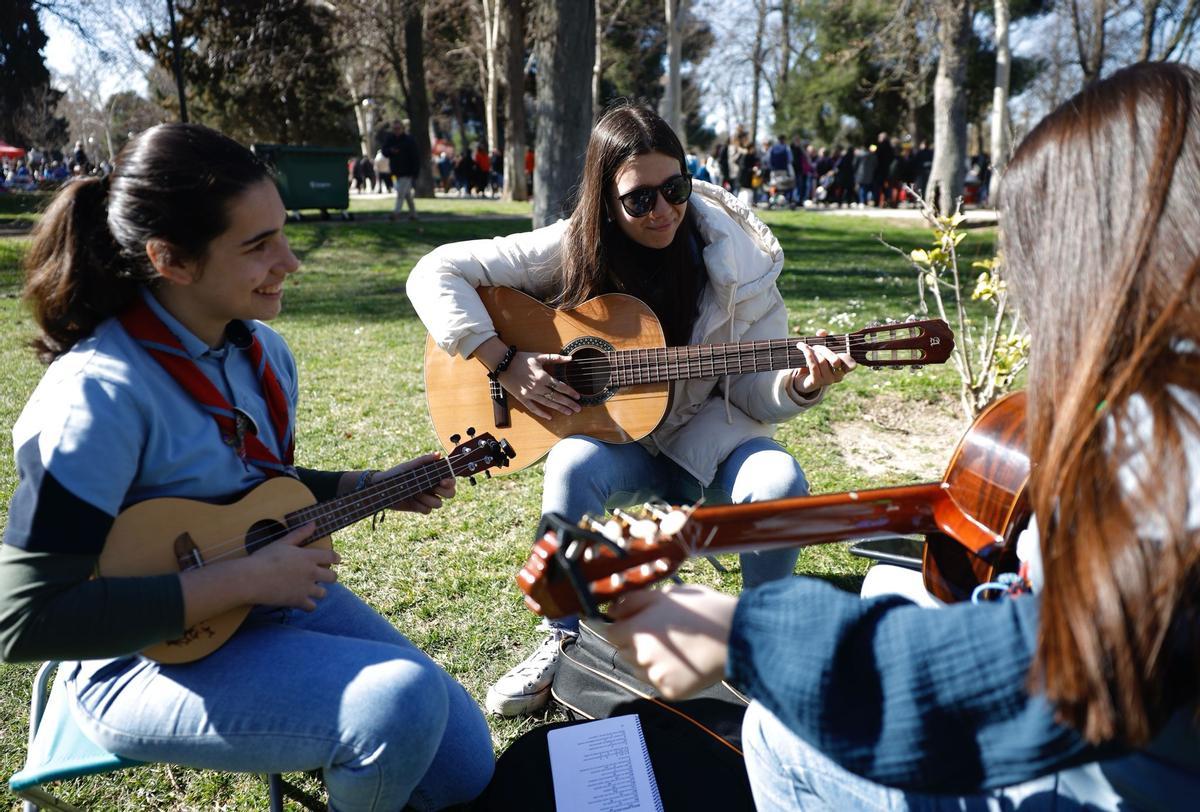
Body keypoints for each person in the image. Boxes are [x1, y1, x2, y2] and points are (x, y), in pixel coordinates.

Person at [605, 61, 1200, 810]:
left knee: (773, 736)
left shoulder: (1177, 448)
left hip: (1121, 778)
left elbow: (1046, 676)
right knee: (893, 582)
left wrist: (746, 633)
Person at [0, 123, 494, 811]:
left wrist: (364, 488)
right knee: (400, 707)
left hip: (254, 604)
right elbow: (22, 619)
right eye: (258, 246)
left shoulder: (261, 353)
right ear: (171, 260)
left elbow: (246, 489)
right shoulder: (96, 398)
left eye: (283, 234)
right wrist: (248, 577)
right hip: (132, 660)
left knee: (466, 766)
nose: (290, 262)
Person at [407, 102, 856, 718]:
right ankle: (563, 636)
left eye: (674, 189)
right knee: (569, 465)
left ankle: (762, 647)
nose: (664, 211)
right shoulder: (570, 247)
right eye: (640, 199)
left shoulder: (739, 266)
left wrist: (800, 385)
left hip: (708, 442)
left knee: (781, 479)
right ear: (604, 199)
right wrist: (505, 361)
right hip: (617, 446)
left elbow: (755, 388)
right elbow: (434, 272)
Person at [382, 119, 419, 221]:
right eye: (394, 129)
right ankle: (414, 214)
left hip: (407, 171)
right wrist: (391, 151)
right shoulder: (390, 139)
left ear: (403, 128)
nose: (396, 131)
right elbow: (384, 151)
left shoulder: (409, 140)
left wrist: (415, 172)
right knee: (407, 194)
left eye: (398, 128)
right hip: (395, 171)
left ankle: (395, 213)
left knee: (400, 193)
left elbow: (415, 157)